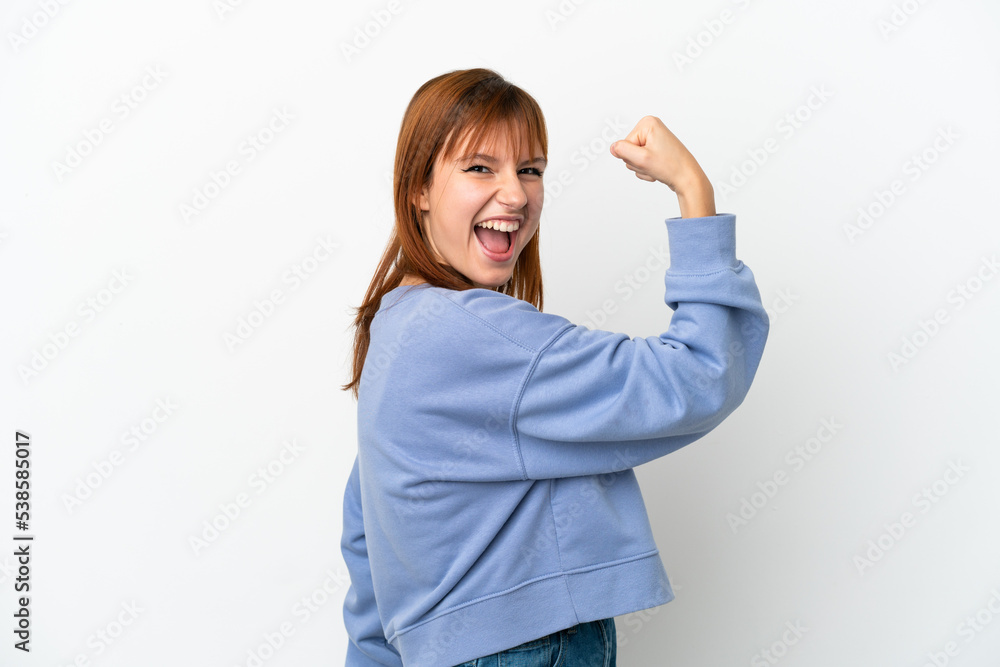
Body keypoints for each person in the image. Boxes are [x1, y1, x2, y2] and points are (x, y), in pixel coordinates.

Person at [339, 67, 769, 667]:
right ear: (419, 189)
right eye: (480, 167)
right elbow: (698, 376)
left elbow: (371, 544)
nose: (515, 195)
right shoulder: (465, 330)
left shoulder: (396, 329)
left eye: (531, 170)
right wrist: (694, 193)